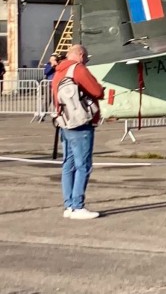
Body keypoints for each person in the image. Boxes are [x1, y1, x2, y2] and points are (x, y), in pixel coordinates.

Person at [52, 44, 104, 220]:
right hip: (80, 123)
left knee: (69, 164)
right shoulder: (78, 69)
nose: (86, 61)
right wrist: (101, 90)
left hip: (65, 122)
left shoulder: (59, 71)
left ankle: (69, 206)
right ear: (80, 55)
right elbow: (96, 91)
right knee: (84, 165)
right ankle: (78, 206)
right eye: (86, 58)